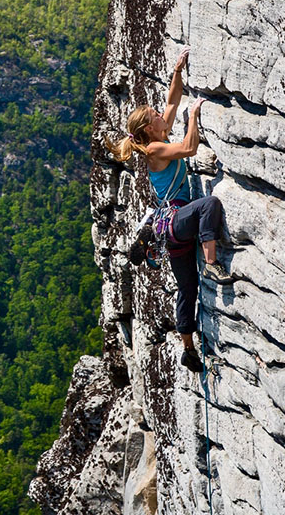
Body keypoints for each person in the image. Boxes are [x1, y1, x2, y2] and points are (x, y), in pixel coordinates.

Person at [107, 48, 233, 373]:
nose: (161, 115)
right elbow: (189, 148)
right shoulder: (155, 148)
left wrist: (178, 71)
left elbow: (172, 102)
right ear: (149, 128)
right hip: (176, 221)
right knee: (209, 204)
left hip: (172, 231)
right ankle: (211, 264)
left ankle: (188, 349)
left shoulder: (156, 137)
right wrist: (194, 117)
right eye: (155, 116)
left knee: (187, 290)